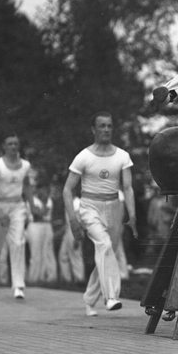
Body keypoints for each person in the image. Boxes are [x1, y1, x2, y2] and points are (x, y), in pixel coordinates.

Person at [63, 112, 139, 315]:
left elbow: (128, 188)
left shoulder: (122, 156)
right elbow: (67, 190)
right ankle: (112, 297)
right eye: (102, 126)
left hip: (114, 208)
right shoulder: (84, 157)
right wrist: (73, 220)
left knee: (107, 255)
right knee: (104, 246)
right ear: (93, 130)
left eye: (109, 126)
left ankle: (89, 300)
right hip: (90, 208)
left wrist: (132, 215)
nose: (106, 130)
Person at [0, 133, 32, 300]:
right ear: (4, 147)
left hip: (17, 206)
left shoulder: (25, 165)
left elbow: (26, 186)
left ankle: (18, 286)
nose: (13, 147)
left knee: (18, 242)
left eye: (15, 144)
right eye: (10, 144)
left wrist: (32, 206)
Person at [26, 180, 58, 285]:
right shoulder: (32, 200)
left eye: (46, 190)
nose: (45, 192)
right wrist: (42, 210)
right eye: (42, 189)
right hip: (34, 225)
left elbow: (44, 213)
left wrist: (42, 209)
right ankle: (33, 277)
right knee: (35, 252)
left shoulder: (48, 200)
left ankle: (49, 277)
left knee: (48, 252)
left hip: (46, 225)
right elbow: (37, 214)